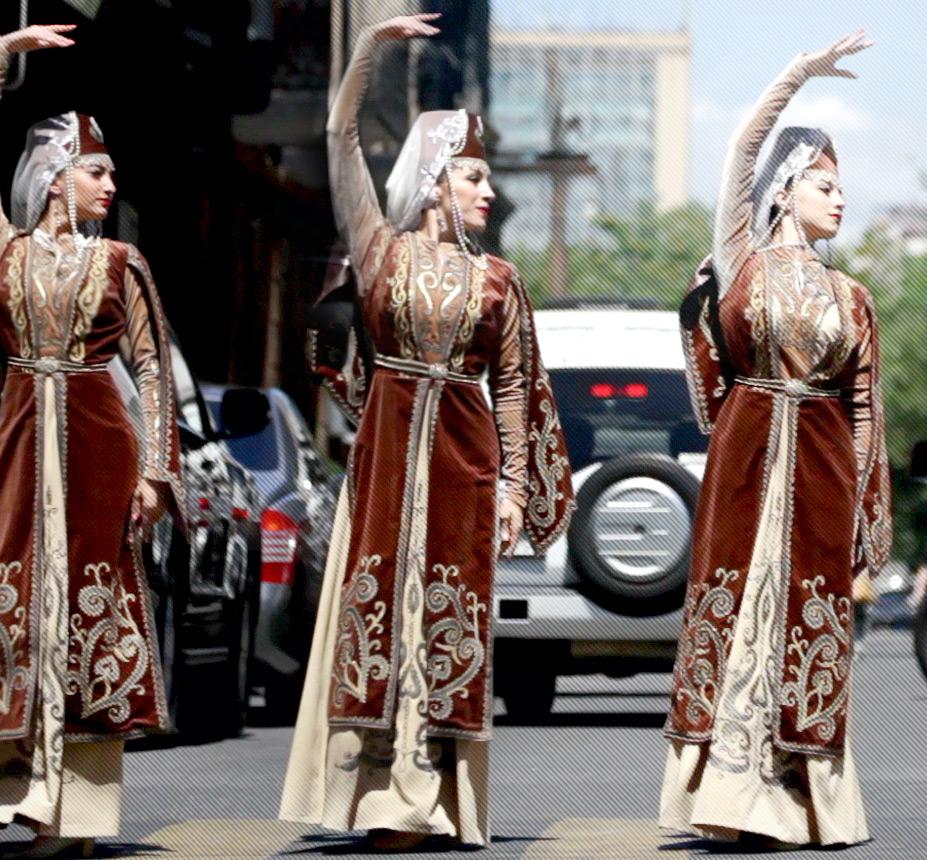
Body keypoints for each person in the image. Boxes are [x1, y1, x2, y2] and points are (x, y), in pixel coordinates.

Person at [277, 13, 573, 851]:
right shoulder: (379, 251)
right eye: (474, 176)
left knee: (451, 620)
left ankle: (438, 804)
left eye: (488, 179)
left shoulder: (499, 280)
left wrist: (516, 486)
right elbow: (339, 136)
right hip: (386, 455)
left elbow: (513, 387)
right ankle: (378, 795)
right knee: (378, 614)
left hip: (466, 458)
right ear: (438, 178)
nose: (487, 191)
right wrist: (370, 48)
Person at [0, 24, 181, 860]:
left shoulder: (122, 263)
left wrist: (155, 473)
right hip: (19, 445)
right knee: (19, 611)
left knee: (91, 614)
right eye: (97, 169)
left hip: (98, 451)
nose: (111, 183)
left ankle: (75, 814)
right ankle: (23, 794)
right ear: (54, 177)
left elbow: (154, 374)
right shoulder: (2, 251)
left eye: (110, 171)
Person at [661, 30, 890, 849]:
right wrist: (799, 75)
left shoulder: (853, 298)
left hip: (823, 468)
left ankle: (803, 799)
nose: (839, 200)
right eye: (825, 185)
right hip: (748, 459)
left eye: (842, 187)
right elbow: (739, 146)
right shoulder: (740, 261)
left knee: (810, 623)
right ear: (786, 190)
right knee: (744, 611)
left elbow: (866, 410)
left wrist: (866, 501)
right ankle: (728, 794)